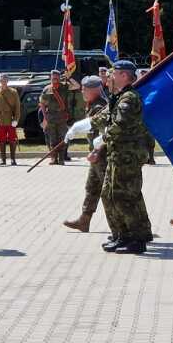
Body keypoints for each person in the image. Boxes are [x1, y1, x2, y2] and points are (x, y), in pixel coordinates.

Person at [99, 60, 152, 254]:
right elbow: (107, 117)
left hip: (127, 155)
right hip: (117, 153)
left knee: (126, 197)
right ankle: (122, 235)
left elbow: (120, 125)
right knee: (109, 195)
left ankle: (137, 239)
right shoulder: (120, 96)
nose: (110, 76)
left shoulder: (129, 98)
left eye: (114, 73)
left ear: (123, 75)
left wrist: (102, 138)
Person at [63, 76, 110, 233]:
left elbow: (104, 133)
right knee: (92, 187)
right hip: (96, 154)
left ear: (95, 89)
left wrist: (97, 151)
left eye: (85, 89)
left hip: (103, 154)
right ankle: (84, 220)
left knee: (108, 191)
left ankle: (122, 225)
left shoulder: (100, 106)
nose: (82, 91)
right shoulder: (92, 104)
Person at [39, 69, 71, 165]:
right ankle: (54, 158)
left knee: (62, 138)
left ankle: (61, 158)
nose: (55, 80)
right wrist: (45, 116)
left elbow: (76, 86)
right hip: (51, 116)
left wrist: (68, 76)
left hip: (61, 116)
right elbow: (43, 104)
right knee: (52, 139)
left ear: (59, 78)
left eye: (57, 78)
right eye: (53, 78)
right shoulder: (47, 89)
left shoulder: (64, 87)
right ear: (50, 78)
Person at [0, 73, 21, 165]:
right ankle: (3, 159)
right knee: (1, 140)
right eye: (1, 80)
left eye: (5, 80)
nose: (3, 82)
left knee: (12, 139)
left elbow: (17, 107)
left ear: (7, 81)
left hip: (10, 119)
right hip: (0, 120)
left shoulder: (13, 92)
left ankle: (13, 159)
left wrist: (16, 119)